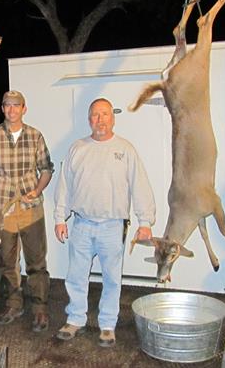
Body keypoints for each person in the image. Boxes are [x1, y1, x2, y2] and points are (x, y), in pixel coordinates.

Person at [53, 97, 155, 347]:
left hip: (112, 226)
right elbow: (64, 186)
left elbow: (140, 185)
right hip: (82, 225)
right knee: (76, 276)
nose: (100, 120)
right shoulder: (77, 148)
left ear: (113, 118)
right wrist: (59, 217)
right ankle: (75, 319)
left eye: (105, 114)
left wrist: (146, 221)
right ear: (89, 120)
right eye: (95, 115)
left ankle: (107, 325)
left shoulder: (126, 149)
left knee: (112, 279)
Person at [0, 90, 54, 332]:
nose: (12, 109)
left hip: (30, 208)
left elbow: (46, 169)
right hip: (0, 211)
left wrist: (37, 190)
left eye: (16, 105)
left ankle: (40, 308)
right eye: (7, 105)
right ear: (3, 108)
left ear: (24, 109)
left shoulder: (35, 136)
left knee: (36, 262)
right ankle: (14, 303)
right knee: (7, 261)